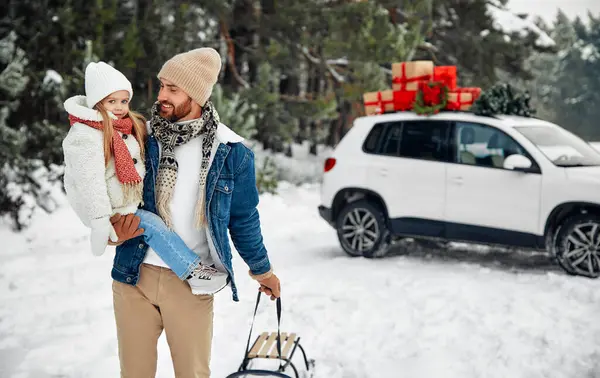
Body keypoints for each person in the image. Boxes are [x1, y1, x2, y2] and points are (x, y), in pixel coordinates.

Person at [107, 47, 281, 378]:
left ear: (197, 94)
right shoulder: (140, 137)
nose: (162, 97)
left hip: (190, 284)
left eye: (173, 89)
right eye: (161, 86)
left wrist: (262, 270)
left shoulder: (231, 152)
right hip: (134, 277)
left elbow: (243, 220)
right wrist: (113, 229)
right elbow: (110, 191)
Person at [62, 61, 223, 294]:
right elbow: (89, 182)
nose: (119, 107)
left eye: (124, 101)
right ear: (97, 102)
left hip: (121, 201)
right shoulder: (86, 134)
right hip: (106, 208)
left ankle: (194, 268)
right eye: (111, 101)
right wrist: (99, 222)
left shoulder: (123, 126)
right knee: (153, 226)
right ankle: (192, 270)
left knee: (152, 225)